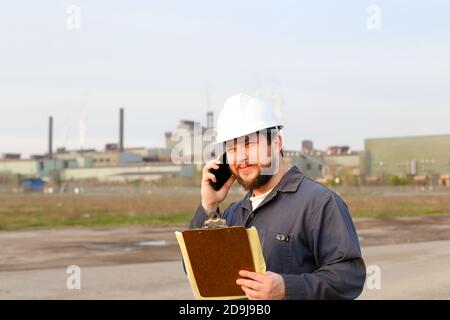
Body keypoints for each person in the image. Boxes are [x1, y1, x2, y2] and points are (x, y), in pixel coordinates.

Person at [189, 93, 366, 300]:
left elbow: (350, 277)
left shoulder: (318, 203)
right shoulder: (234, 213)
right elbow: (198, 270)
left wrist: (287, 287)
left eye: (249, 144)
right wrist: (208, 206)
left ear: (277, 143)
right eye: (232, 148)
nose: (241, 157)